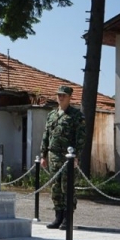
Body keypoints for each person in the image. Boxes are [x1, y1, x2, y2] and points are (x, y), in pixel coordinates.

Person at [40, 85, 86, 230]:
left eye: (63, 95)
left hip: (68, 157)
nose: (60, 97)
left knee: (67, 187)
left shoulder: (76, 115)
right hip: (53, 156)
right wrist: (43, 155)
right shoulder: (52, 115)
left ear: (69, 97)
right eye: (59, 95)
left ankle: (68, 218)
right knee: (55, 187)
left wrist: (76, 156)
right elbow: (46, 135)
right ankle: (58, 217)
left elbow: (81, 137)